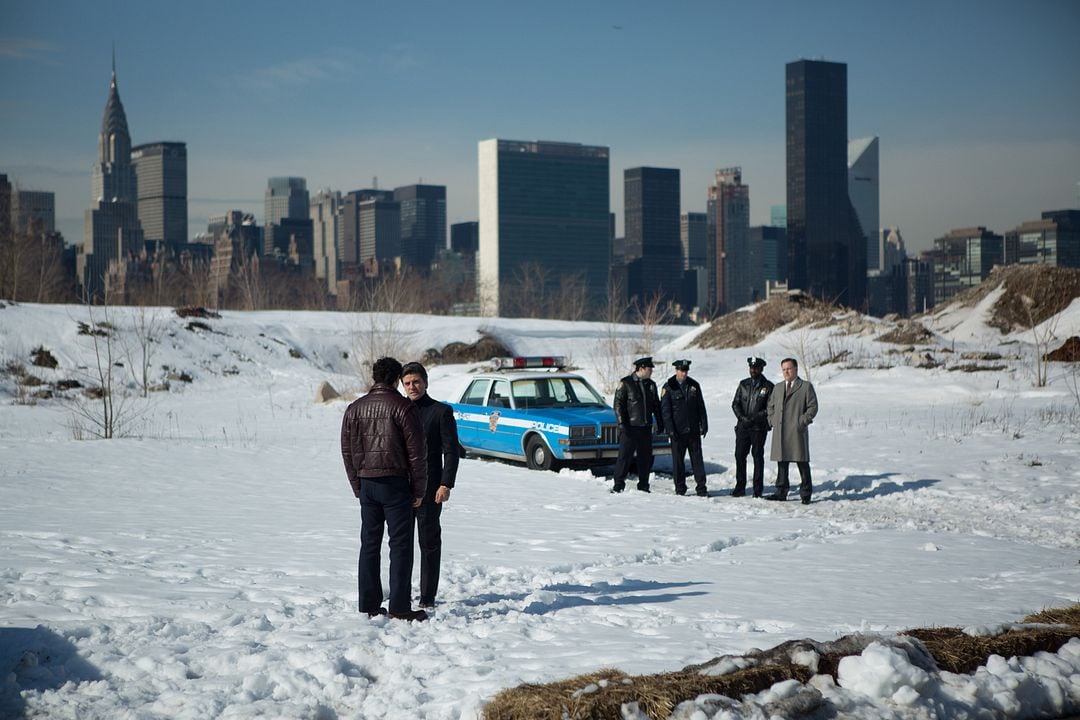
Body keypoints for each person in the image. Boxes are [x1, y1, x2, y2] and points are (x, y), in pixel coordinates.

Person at [340, 356, 429, 621]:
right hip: (396, 484)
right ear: (395, 379)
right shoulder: (403, 407)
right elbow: (417, 454)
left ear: (375, 377)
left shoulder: (354, 408)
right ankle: (400, 606)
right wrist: (419, 490)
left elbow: (347, 452)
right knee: (400, 545)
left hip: (367, 484)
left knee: (369, 544)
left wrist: (357, 486)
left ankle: (368, 604)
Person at [401, 361, 460, 610]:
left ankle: (427, 596)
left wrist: (446, 483)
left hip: (430, 489)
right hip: (401, 490)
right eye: (407, 383)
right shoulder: (399, 410)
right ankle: (401, 592)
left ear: (425, 382)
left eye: (416, 382)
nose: (412, 387)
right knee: (401, 544)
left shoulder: (440, 412)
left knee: (428, 543)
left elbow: (451, 451)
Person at [766, 357, 818, 505]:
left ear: (795, 369)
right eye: (783, 369)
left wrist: (803, 421)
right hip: (780, 431)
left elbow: (813, 407)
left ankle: (806, 493)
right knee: (782, 462)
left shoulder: (805, 387)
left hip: (796, 431)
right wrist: (772, 420)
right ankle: (781, 491)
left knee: (802, 462)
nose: (786, 372)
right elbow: (771, 406)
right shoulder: (778, 387)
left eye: (789, 369)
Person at [612, 356, 664, 493]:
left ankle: (644, 485)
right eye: (649, 369)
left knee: (645, 458)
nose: (651, 371)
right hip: (630, 428)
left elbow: (656, 405)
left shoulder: (651, 385)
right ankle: (618, 484)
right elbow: (618, 405)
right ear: (641, 369)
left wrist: (660, 422)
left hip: (645, 428)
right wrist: (622, 424)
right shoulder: (626, 383)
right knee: (624, 457)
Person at [660, 359, 709, 496]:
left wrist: (704, 424)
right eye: (682, 370)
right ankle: (680, 488)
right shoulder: (669, 387)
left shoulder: (694, 385)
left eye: (686, 370)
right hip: (677, 431)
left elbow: (701, 407)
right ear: (676, 371)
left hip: (692, 430)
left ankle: (701, 488)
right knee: (678, 462)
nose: (684, 373)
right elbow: (665, 411)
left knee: (697, 460)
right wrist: (670, 430)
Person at [731, 356, 775, 498]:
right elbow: (735, 403)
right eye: (751, 367)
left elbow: (769, 407)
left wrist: (754, 418)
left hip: (758, 428)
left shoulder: (768, 386)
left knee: (757, 457)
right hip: (743, 427)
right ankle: (740, 486)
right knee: (739, 456)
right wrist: (742, 418)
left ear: (762, 369)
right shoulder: (743, 384)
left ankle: (757, 489)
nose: (753, 370)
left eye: (756, 368)